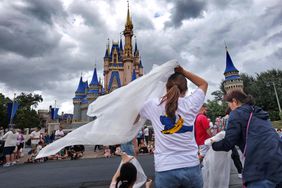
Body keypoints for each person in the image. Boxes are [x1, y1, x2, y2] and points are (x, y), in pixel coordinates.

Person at [139, 65, 208, 188]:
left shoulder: (154, 104)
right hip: (191, 165)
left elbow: (134, 113)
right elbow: (203, 84)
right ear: (185, 90)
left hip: (166, 168)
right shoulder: (192, 103)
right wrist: (183, 72)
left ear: (166, 88)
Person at [212, 89, 282, 188]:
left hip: (259, 166)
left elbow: (228, 143)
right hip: (278, 160)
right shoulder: (258, 112)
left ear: (235, 101)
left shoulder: (236, 114)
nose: (230, 108)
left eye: (229, 104)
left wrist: (213, 144)